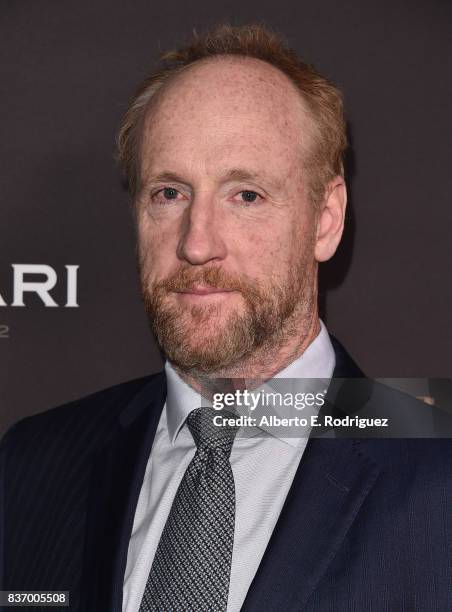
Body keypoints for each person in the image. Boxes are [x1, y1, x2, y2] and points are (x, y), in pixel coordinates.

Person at [1, 23, 450, 612]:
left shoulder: (438, 473)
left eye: (246, 195)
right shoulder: (31, 463)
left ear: (326, 219)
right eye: (169, 193)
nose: (196, 243)